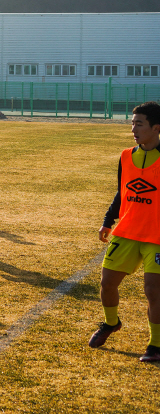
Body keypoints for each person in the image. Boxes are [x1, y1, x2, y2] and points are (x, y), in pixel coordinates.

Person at [88, 101, 160, 363]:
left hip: (157, 237)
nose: (133, 129)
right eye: (132, 123)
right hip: (127, 231)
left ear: (156, 128)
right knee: (107, 284)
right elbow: (123, 191)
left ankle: (155, 345)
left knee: (154, 290)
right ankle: (111, 323)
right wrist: (108, 220)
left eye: (139, 123)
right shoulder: (126, 155)